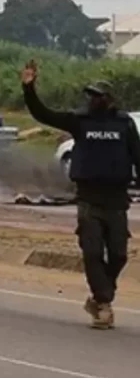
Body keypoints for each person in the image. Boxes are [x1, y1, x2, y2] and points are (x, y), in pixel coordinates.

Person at [22, 60, 140, 329]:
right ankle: (104, 305)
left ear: (109, 99)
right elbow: (43, 114)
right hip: (88, 199)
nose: (92, 100)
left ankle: (100, 296)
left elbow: (137, 156)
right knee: (92, 252)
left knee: (119, 255)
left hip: (116, 200)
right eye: (90, 95)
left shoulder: (124, 124)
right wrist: (29, 89)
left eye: (97, 96)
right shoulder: (80, 121)